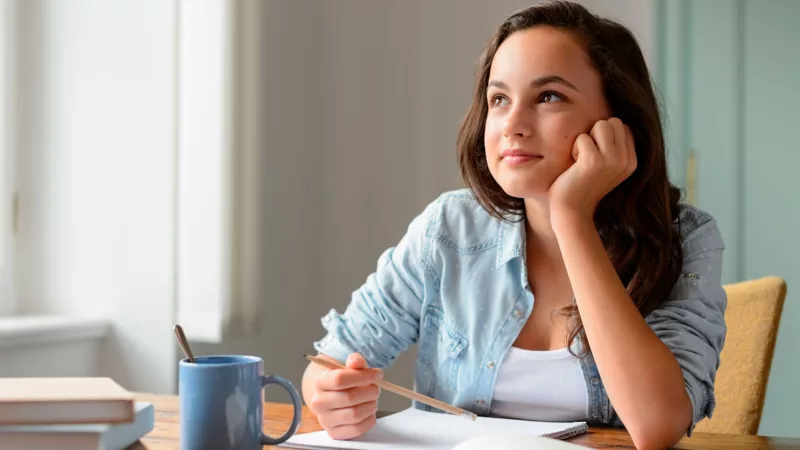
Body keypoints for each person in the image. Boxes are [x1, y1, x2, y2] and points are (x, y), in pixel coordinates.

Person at [301, 2, 727, 449]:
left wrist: (571, 217)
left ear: (618, 122)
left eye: (549, 97)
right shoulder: (449, 229)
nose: (513, 125)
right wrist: (331, 396)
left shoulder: (685, 238)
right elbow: (326, 366)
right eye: (499, 99)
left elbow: (657, 425)